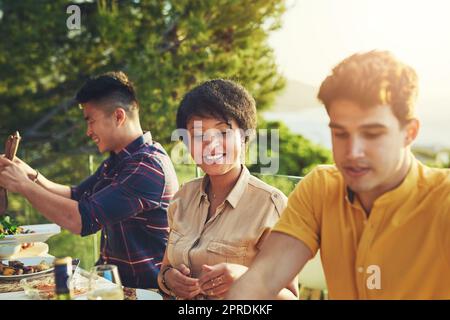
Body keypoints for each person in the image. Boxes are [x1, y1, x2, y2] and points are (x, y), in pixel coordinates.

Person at [227, 50, 450, 299]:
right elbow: (262, 279)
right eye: (340, 134)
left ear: (410, 132)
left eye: (372, 134)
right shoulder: (321, 187)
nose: (352, 152)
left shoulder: (443, 200)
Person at [0, 71, 179, 289]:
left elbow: (82, 219)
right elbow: (77, 195)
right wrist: (31, 175)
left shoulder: (146, 167)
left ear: (119, 116)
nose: (88, 132)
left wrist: (23, 185)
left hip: (146, 292)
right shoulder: (119, 160)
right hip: (111, 285)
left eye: (91, 121)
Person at [157, 79, 298, 299]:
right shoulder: (183, 196)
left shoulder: (271, 205)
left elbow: (290, 296)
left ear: (244, 136)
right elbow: (165, 269)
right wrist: (168, 278)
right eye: (198, 135)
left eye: (223, 133)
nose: (210, 145)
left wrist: (245, 279)